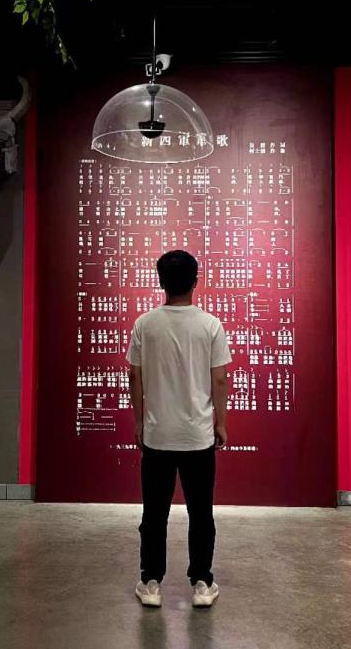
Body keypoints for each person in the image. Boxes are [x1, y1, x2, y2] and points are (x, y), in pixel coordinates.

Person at [127, 249, 231, 609]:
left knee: (154, 513)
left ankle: (151, 582)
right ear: (195, 281)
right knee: (201, 513)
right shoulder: (210, 325)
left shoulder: (145, 325)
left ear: (161, 281)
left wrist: (139, 422)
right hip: (197, 436)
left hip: (157, 436)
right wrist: (221, 422)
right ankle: (202, 582)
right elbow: (220, 379)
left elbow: (135, 376)